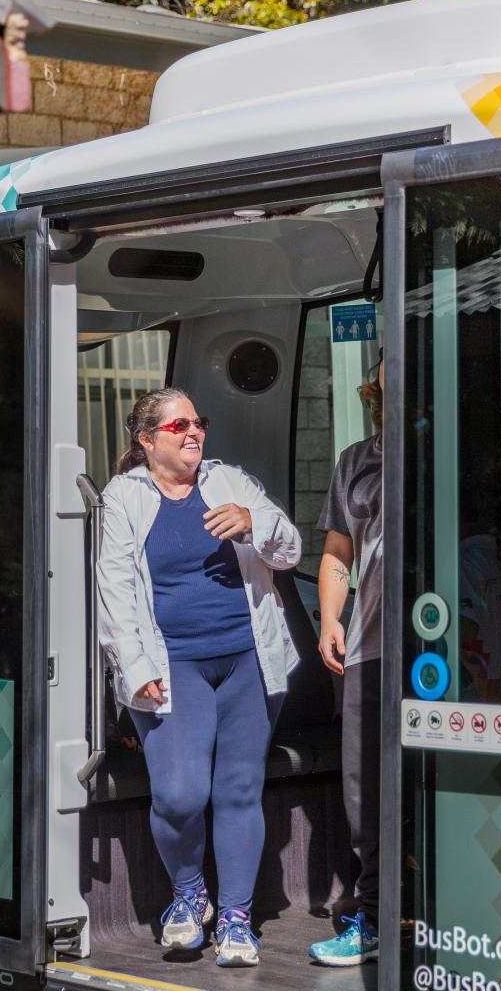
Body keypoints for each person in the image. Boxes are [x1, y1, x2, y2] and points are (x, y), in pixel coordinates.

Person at [96, 387, 303, 968]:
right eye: (178, 424)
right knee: (181, 794)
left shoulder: (231, 482)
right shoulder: (124, 498)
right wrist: (135, 670)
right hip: (169, 667)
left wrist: (254, 522)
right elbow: (113, 593)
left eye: (198, 422)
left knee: (239, 791)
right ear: (146, 440)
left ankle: (236, 916)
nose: (193, 432)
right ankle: (189, 894)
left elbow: (290, 549)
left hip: (247, 661)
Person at [309, 354, 384, 967]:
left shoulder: (448, 446)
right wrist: (332, 619)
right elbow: (337, 553)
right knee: (364, 789)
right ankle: (376, 916)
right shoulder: (356, 462)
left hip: (439, 647)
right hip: (369, 645)